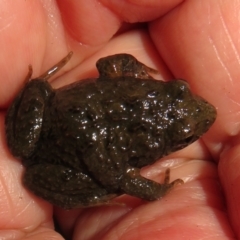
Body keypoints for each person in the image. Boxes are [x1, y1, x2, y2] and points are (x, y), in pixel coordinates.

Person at [0, 1, 238, 239]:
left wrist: (131, 69)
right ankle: (93, 193)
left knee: (39, 89)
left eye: (185, 133)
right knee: (106, 185)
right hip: (58, 148)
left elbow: (108, 64)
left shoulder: (136, 89)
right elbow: (123, 180)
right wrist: (158, 191)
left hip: (61, 124)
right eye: (180, 89)